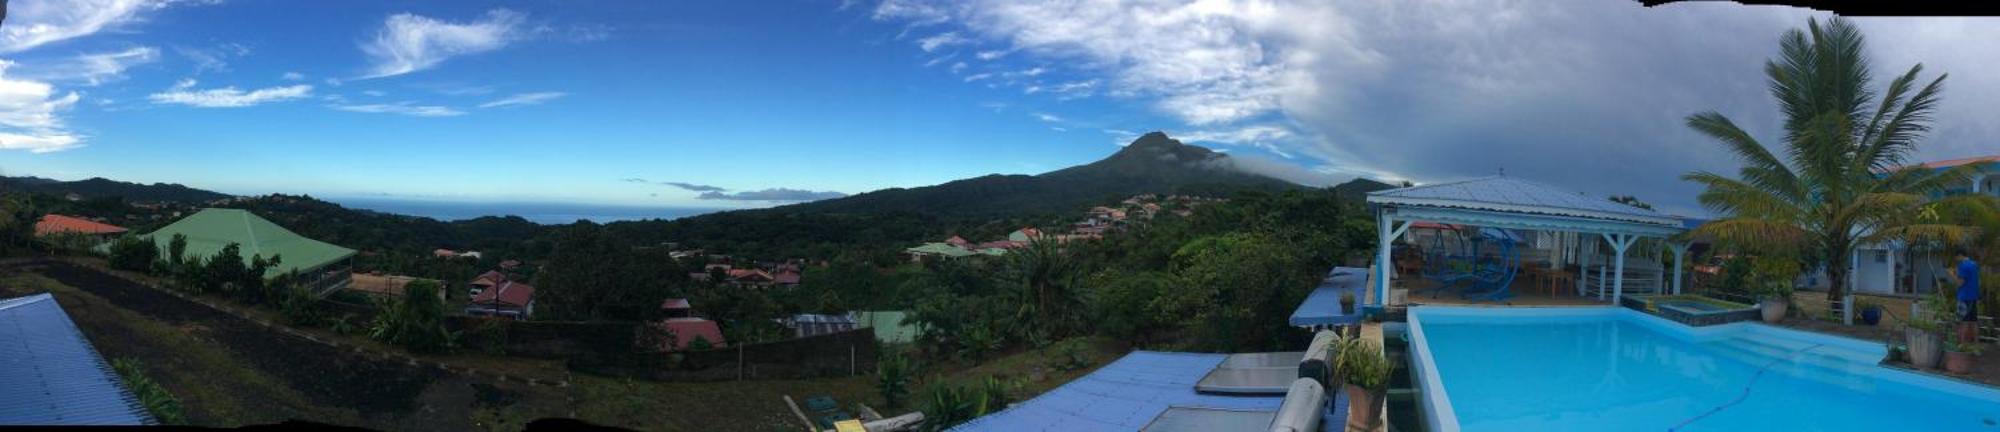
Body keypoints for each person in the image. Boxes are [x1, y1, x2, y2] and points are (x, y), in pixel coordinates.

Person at [1944, 250, 1981, 344]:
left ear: (1960, 255)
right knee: (1973, 322)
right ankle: (1976, 344)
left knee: (1963, 322)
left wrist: (1952, 274)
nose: (1956, 260)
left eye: (1957, 257)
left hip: (1964, 297)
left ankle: (1962, 345)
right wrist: (1957, 272)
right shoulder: (1974, 264)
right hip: (1973, 297)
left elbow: (1960, 283)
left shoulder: (1963, 266)